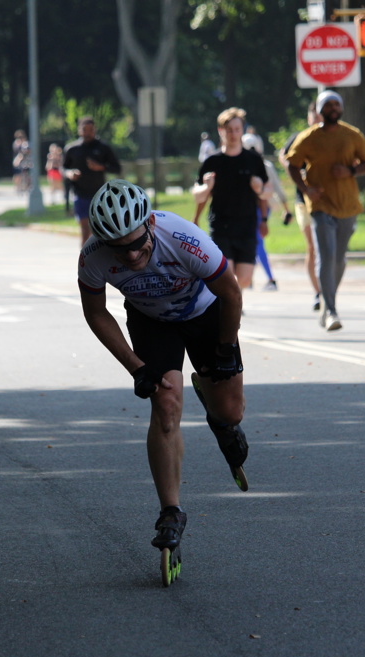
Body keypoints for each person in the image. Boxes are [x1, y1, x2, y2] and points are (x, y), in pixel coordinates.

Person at [77, 179, 249, 553]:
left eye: (137, 243)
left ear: (150, 224)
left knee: (231, 411)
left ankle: (219, 418)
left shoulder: (183, 238)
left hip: (205, 313)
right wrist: (137, 368)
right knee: (166, 406)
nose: (131, 255)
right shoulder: (93, 255)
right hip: (151, 321)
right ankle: (170, 512)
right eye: (119, 249)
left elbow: (231, 293)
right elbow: (96, 313)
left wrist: (225, 349)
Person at [286, 90, 365, 331]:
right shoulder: (309, 137)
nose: (333, 108)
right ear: (320, 110)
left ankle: (327, 303)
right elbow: (292, 165)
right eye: (328, 105)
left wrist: (351, 171)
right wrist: (306, 189)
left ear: (342, 108)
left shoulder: (352, 135)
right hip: (321, 205)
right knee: (326, 256)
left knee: (339, 258)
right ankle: (331, 312)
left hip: (348, 205)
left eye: (336, 104)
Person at [193, 107, 269, 290]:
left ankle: (231, 299)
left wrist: (264, 218)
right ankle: (227, 303)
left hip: (247, 225)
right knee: (226, 276)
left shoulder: (253, 160)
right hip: (221, 226)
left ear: (242, 130)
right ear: (221, 131)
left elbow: (266, 194)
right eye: (229, 130)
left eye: (237, 129)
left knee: (244, 279)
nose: (233, 134)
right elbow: (198, 195)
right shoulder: (212, 161)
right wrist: (206, 189)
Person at [279, 101, 323, 311]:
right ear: (308, 118)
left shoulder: (330, 139)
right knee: (312, 246)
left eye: (319, 116)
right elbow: (283, 155)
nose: (316, 120)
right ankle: (318, 292)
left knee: (326, 247)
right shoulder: (299, 138)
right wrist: (296, 173)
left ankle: (326, 288)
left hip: (325, 200)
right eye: (313, 116)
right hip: (302, 201)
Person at [242, 132, 290, 291]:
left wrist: (286, 209)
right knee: (251, 242)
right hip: (246, 208)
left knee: (257, 241)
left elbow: (276, 188)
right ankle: (248, 278)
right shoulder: (244, 165)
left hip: (261, 208)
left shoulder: (264, 166)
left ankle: (270, 279)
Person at [63, 116, 122, 244]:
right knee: (85, 230)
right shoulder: (72, 149)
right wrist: (70, 173)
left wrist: (101, 167)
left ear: (95, 130)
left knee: (101, 231)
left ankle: (99, 255)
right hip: (80, 194)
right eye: (85, 130)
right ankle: (84, 256)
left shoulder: (103, 148)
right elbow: (64, 168)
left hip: (99, 195)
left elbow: (116, 168)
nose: (88, 133)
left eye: (91, 130)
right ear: (79, 130)